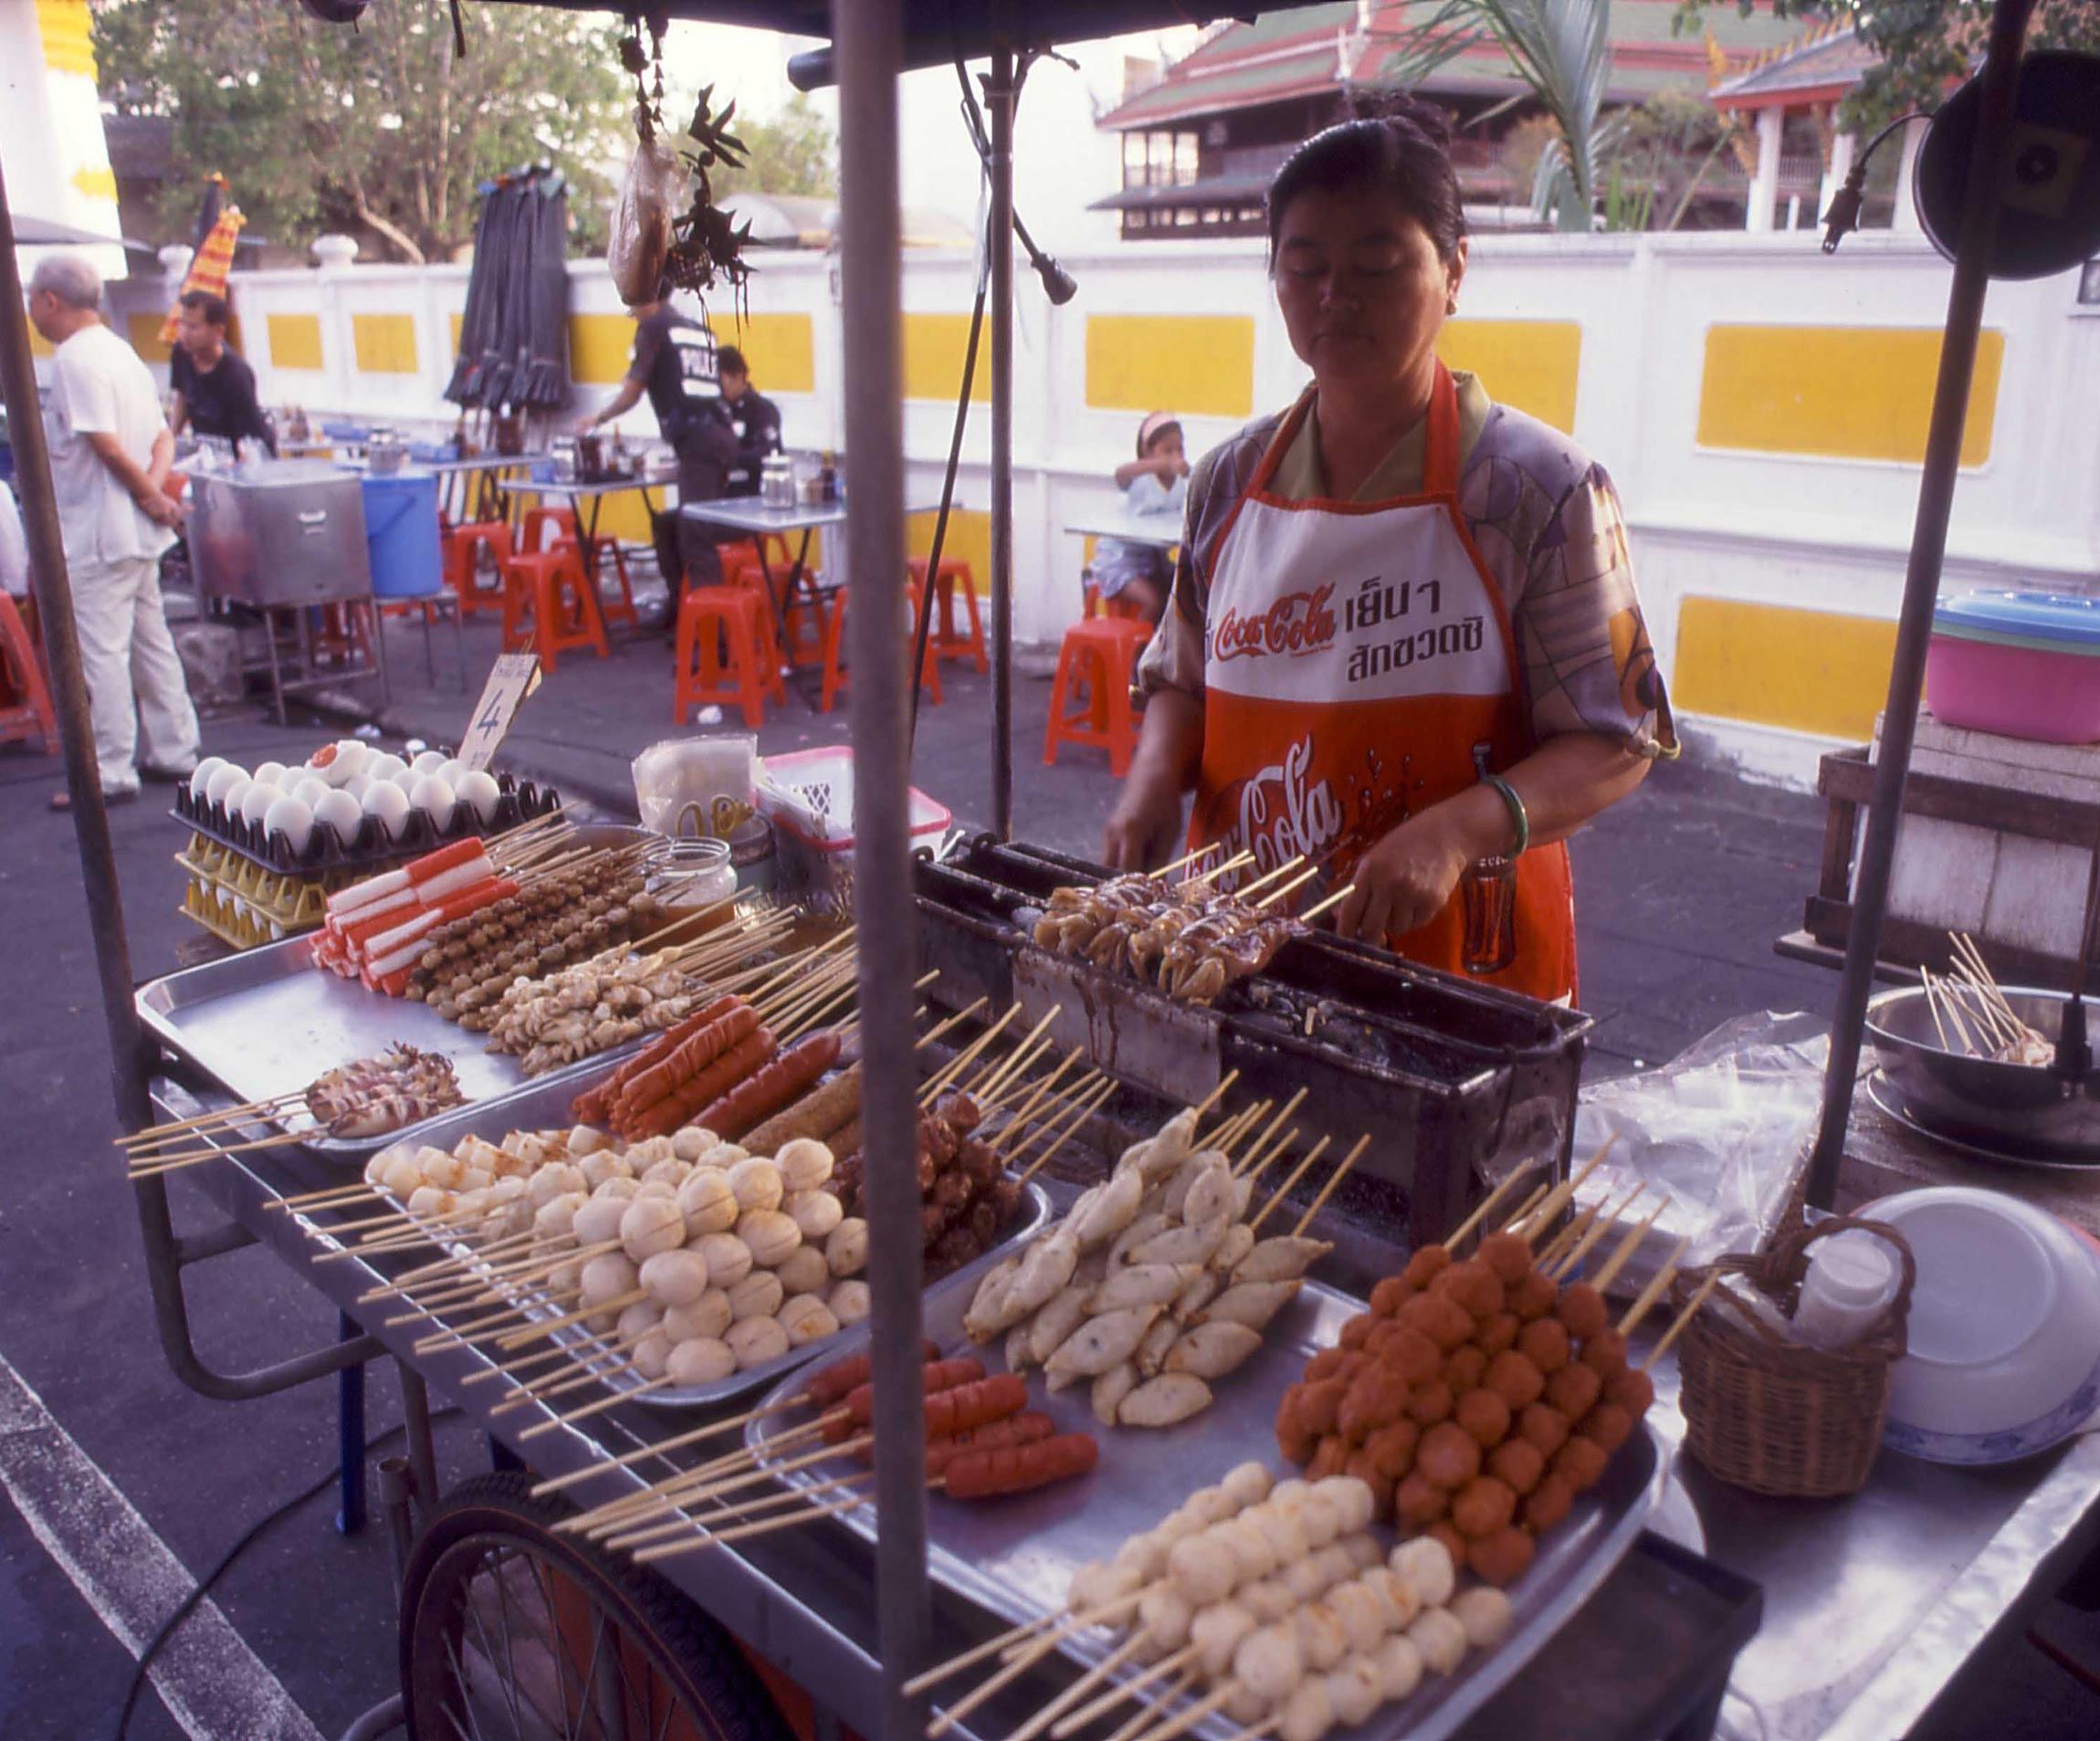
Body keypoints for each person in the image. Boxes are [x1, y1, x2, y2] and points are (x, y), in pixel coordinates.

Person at [1104, 103, 1674, 1005]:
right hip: (1238, 957)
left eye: (1376, 264)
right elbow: (1182, 680)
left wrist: (1457, 830)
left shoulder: (1539, 490)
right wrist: (1148, 781)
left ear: (1452, 272)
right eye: (1304, 267)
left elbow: (1617, 739)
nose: (1337, 295)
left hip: (1457, 981)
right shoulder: (1224, 481)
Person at [26, 254, 200, 807]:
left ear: (50, 301)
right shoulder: (120, 351)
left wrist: (149, 498)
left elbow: (105, 445)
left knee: (101, 653)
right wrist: (153, 498)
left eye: (32, 299)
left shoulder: (76, 359)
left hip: (100, 536)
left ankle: (110, 769)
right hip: (132, 534)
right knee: (151, 644)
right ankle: (175, 749)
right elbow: (161, 440)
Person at [577, 285, 740, 608]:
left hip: (699, 444)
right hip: (720, 437)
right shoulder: (696, 328)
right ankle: (680, 614)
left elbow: (633, 390)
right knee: (670, 525)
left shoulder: (653, 328)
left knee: (696, 536)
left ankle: (714, 638)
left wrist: (597, 418)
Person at [1092, 410, 1186, 626]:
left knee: (1187, 588)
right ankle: (1141, 654)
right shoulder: (1138, 479)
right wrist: (1160, 465)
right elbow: (1120, 473)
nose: (1175, 456)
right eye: (1167, 450)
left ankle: (1169, 646)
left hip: (1152, 561)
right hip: (1120, 562)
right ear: (1147, 452)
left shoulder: (1179, 484)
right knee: (1154, 601)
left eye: (1179, 449)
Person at [168, 290, 274, 457]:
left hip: (247, 450)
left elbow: (248, 437)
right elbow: (182, 396)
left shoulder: (237, 374)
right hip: (207, 450)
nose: (184, 333)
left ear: (218, 331)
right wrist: (170, 441)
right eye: (182, 324)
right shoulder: (181, 353)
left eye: (193, 327)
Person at [717, 344, 784, 498]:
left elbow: (768, 453)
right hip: (719, 494)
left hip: (752, 494)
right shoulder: (716, 409)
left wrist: (730, 456)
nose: (718, 387)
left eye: (721, 380)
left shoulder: (763, 410)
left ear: (739, 375)